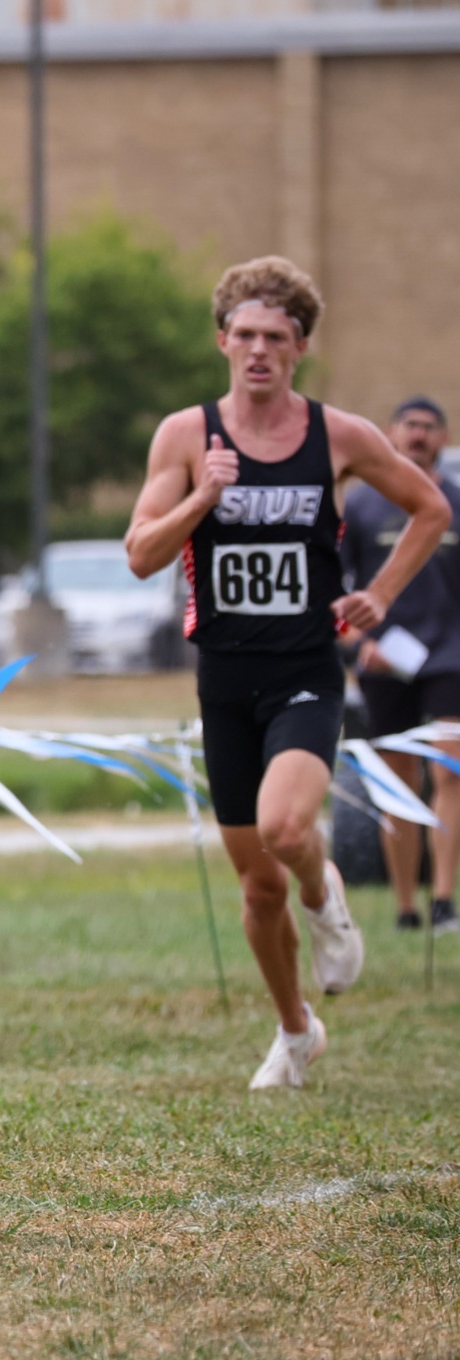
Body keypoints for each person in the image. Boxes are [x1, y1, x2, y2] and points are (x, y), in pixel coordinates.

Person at [124, 257, 449, 1090]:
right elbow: (140, 554)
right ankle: (296, 1030)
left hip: (306, 669)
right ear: (222, 342)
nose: (259, 350)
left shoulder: (338, 435)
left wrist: (380, 594)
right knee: (257, 889)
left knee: (286, 831)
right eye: (245, 335)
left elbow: (431, 508)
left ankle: (325, 895)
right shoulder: (185, 435)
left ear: (300, 346)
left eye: (276, 336)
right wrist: (202, 499)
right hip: (223, 676)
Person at [340, 396, 460, 933]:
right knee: (398, 781)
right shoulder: (362, 506)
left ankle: (444, 901)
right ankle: (406, 908)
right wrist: (357, 646)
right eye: (410, 425)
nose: (419, 434)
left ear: (442, 438)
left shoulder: (455, 501)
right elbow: (335, 590)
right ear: (390, 433)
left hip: (450, 657)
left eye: (429, 427)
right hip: (385, 659)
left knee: (449, 772)